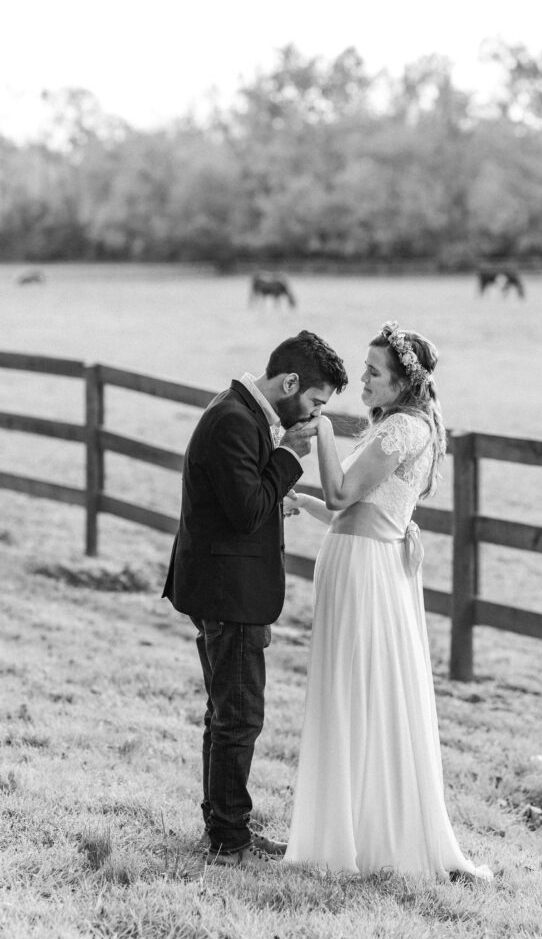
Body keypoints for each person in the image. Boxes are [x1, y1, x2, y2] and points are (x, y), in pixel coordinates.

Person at [283, 321, 492, 881]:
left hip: (365, 571)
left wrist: (322, 431)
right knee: (360, 691)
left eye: (373, 373)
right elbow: (348, 512)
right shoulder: (404, 426)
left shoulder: (401, 428)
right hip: (362, 559)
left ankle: (360, 837)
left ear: (402, 382)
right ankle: (356, 825)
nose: (364, 381)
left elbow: (342, 493)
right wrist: (300, 501)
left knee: (356, 691)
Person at [162, 331, 348, 867]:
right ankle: (227, 840)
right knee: (239, 717)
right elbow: (245, 512)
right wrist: (289, 454)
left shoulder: (240, 410)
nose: (315, 415)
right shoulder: (234, 421)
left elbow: (242, 497)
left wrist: (277, 496)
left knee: (226, 712)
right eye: (315, 402)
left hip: (222, 583)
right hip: (228, 591)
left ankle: (224, 827)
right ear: (290, 383)